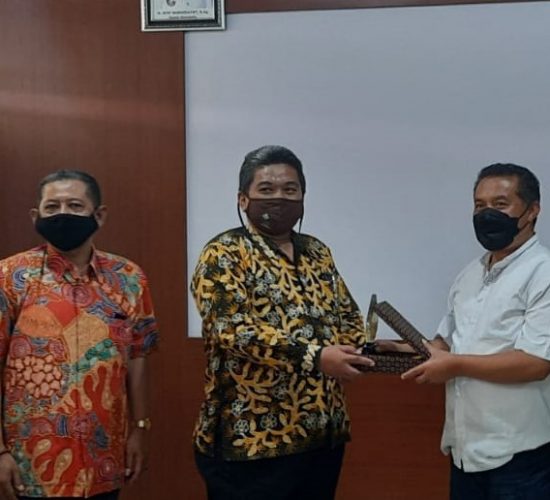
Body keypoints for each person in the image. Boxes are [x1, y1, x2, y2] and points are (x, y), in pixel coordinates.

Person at [191, 145, 373, 500]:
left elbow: (346, 316)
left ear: (303, 196)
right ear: (243, 199)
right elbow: (234, 332)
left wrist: (371, 348)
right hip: (251, 442)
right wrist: (315, 357)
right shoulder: (224, 253)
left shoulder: (316, 251)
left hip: (321, 435)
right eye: (267, 189)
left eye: (290, 190)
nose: (280, 198)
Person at [0, 170, 159, 500]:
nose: (63, 214)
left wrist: (140, 428)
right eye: (52, 207)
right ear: (35, 216)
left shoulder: (129, 278)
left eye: (74, 205)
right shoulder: (9, 277)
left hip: (104, 457)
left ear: (99, 215)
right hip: (30, 463)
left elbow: (138, 357)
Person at [401, 163, 550, 499]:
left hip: (521, 457)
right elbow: (445, 343)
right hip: (464, 450)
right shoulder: (469, 274)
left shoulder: (543, 273)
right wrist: (405, 348)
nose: (487, 214)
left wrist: (454, 365)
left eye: (500, 204)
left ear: (532, 211)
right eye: (479, 205)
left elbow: (536, 363)